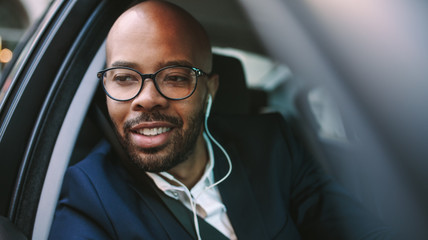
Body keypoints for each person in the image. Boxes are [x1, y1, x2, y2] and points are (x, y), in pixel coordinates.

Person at [49, 1, 392, 239]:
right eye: (124, 78)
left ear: (210, 89)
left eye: (176, 77)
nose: (146, 98)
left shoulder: (272, 144)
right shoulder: (87, 195)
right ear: (106, 88)